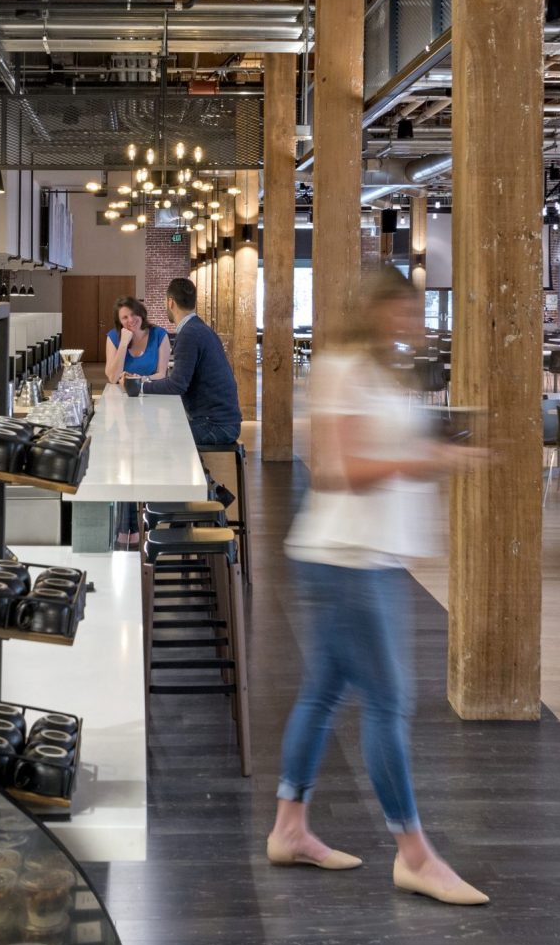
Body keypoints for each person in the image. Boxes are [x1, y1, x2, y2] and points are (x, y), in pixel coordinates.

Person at [267, 269, 487, 906]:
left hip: (372, 555)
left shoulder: (385, 374)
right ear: (378, 312)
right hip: (346, 558)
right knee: (390, 702)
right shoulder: (341, 370)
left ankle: (290, 827)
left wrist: (442, 445)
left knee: (325, 692)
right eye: (405, 312)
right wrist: (428, 460)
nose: (414, 325)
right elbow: (340, 472)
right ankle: (414, 854)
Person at [138, 276, 242, 447]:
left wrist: (140, 386)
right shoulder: (198, 328)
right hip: (223, 421)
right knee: (165, 431)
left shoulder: (189, 334)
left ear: (170, 302)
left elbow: (177, 385)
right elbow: (180, 382)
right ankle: (199, 473)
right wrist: (144, 381)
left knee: (160, 439)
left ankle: (202, 474)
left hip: (217, 425)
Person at [103, 295, 167, 384]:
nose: (131, 320)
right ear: (120, 322)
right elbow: (113, 378)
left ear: (141, 313)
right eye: (125, 317)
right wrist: (123, 343)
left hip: (151, 391)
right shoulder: (113, 336)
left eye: (133, 314)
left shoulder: (159, 334)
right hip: (121, 393)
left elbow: (161, 374)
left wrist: (140, 379)